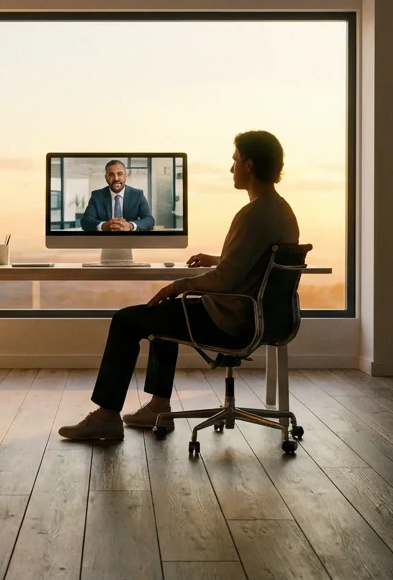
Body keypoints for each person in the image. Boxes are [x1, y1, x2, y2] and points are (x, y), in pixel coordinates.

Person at [59, 131, 299, 441]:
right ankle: (158, 407)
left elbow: (227, 278)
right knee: (166, 314)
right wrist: (216, 258)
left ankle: (106, 417)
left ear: (249, 165)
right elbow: (255, 263)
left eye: (235, 161)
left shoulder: (252, 214)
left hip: (230, 320)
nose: (231, 169)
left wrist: (179, 285)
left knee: (126, 320)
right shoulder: (282, 211)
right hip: (263, 317)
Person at [79, 160, 155, 232]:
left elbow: (149, 220)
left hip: (131, 241)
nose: (116, 178)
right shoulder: (97, 196)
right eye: (111, 174)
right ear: (106, 177)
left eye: (120, 174)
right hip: (105, 242)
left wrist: (130, 226)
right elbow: (86, 221)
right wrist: (103, 226)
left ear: (126, 176)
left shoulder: (138, 195)